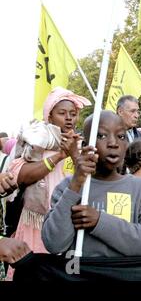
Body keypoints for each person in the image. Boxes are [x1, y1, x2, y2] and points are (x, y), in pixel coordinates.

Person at [41, 111, 141, 257]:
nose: (113, 143)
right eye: (101, 136)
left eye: (121, 136)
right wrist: (75, 185)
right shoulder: (68, 186)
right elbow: (54, 244)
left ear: (126, 145)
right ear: (86, 146)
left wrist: (100, 221)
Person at [7, 87, 90, 253]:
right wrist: (59, 155)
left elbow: (90, 183)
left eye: (73, 114)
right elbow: (20, 176)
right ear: (49, 115)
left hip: (69, 223)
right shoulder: (36, 143)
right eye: (62, 113)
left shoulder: (83, 147)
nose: (68, 118)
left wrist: (73, 153)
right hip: (37, 224)